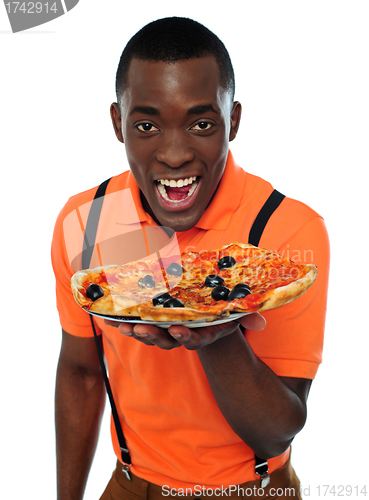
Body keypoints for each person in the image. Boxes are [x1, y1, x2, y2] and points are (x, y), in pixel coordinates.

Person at [52, 17, 330, 500]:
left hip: (251, 489)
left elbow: (277, 432)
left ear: (234, 121)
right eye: (147, 125)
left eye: (202, 124)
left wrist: (216, 330)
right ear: (118, 124)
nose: (175, 154)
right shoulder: (87, 221)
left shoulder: (286, 232)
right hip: (129, 484)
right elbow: (79, 373)